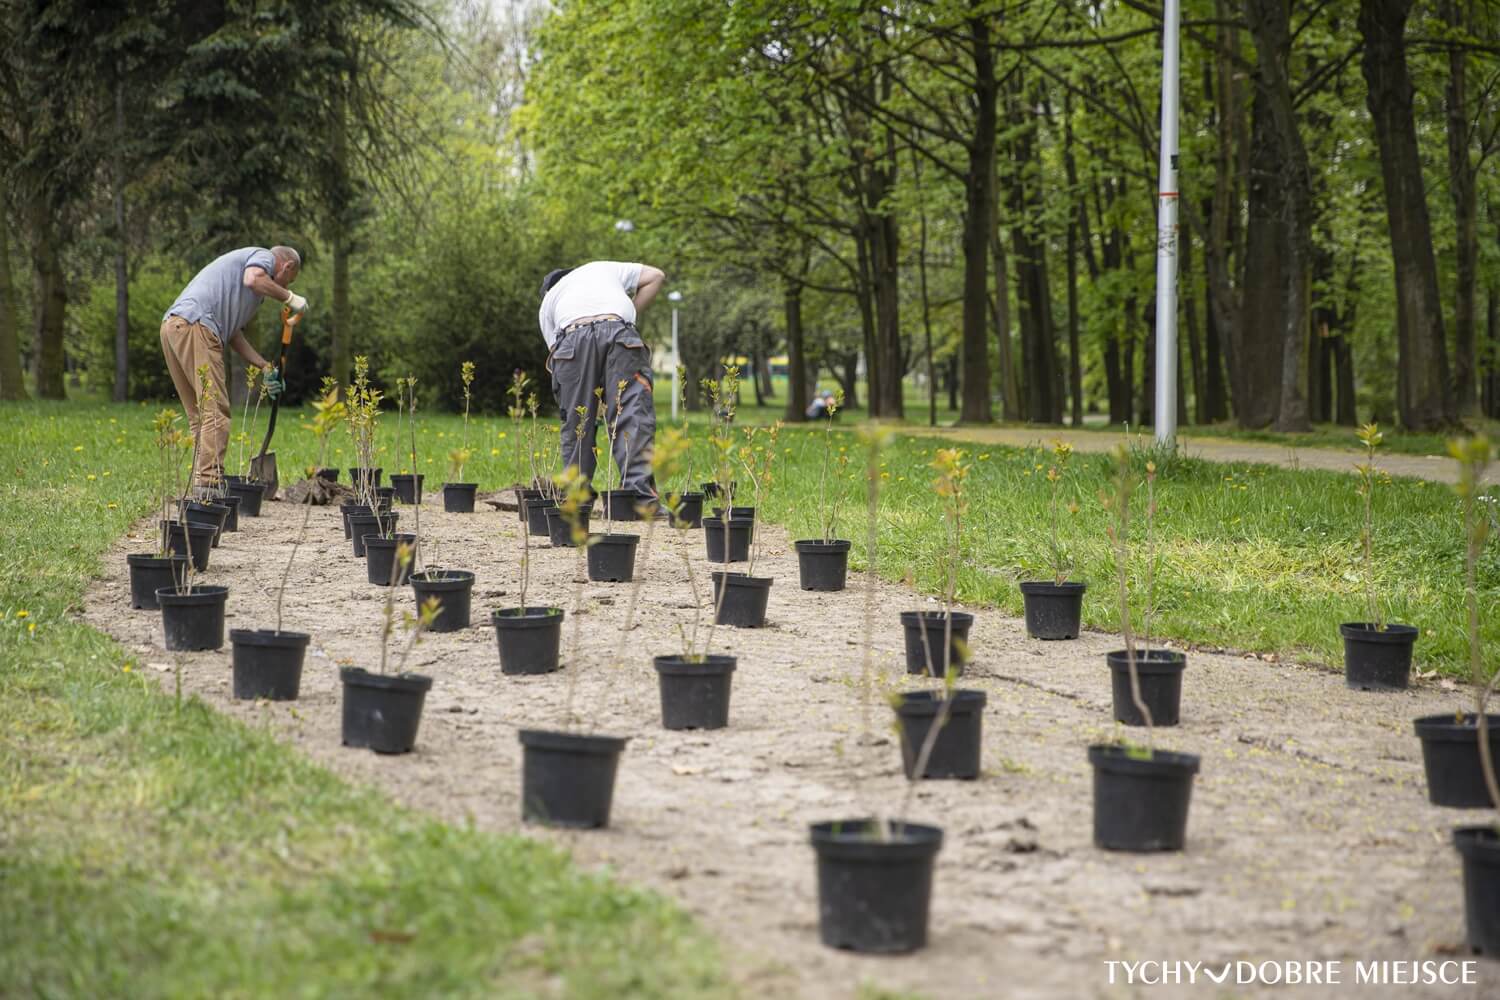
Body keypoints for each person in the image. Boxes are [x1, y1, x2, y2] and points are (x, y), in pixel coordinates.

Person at [160, 246, 306, 491]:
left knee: (200, 415)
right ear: (286, 266)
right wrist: (290, 297)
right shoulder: (263, 258)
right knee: (215, 413)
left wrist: (264, 365)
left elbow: (234, 334)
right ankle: (209, 486)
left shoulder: (246, 291)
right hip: (196, 325)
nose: (282, 286)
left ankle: (200, 483)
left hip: (173, 326)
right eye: (287, 280)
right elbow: (253, 279)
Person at [538, 260, 665, 494]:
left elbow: (558, 357)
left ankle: (576, 496)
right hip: (619, 331)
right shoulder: (602, 268)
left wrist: (588, 398)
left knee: (577, 419)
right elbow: (656, 275)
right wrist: (629, 317)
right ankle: (637, 497)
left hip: (572, 337)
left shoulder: (548, 301)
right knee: (632, 413)